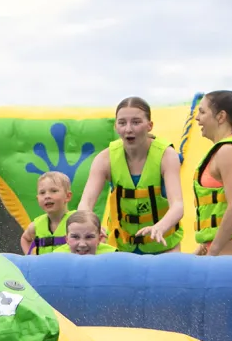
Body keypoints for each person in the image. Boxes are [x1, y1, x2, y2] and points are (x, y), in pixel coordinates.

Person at [75, 97, 184, 254]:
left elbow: (178, 205)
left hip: (164, 245)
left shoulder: (167, 155)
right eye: (122, 123)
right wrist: (91, 225)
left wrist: (160, 227)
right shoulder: (105, 159)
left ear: (149, 125)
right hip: (123, 247)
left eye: (136, 122)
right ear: (115, 126)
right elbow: (85, 203)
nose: (128, 129)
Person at [191, 90, 232, 259]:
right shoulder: (222, 150)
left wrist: (213, 253)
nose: (197, 118)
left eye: (202, 112)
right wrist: (203, 249)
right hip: (219, 248)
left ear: (221, 116)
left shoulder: (229, 151)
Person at [19, 172, 72, 255]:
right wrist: (30, 258)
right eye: (42, 193)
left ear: (67, 196)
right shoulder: (36, 225)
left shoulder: (78, 220)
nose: (47, 196)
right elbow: (25, 239)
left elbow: (98, 235)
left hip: (70, 267)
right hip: (44, 268)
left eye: (54, 191)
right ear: (37, 199)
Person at [53, 211, 118, 255]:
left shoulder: (112, 256)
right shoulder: (58, 257)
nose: (82, 244)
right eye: (75, 237)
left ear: (99, 239)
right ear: (67, 239)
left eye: (89, 237)